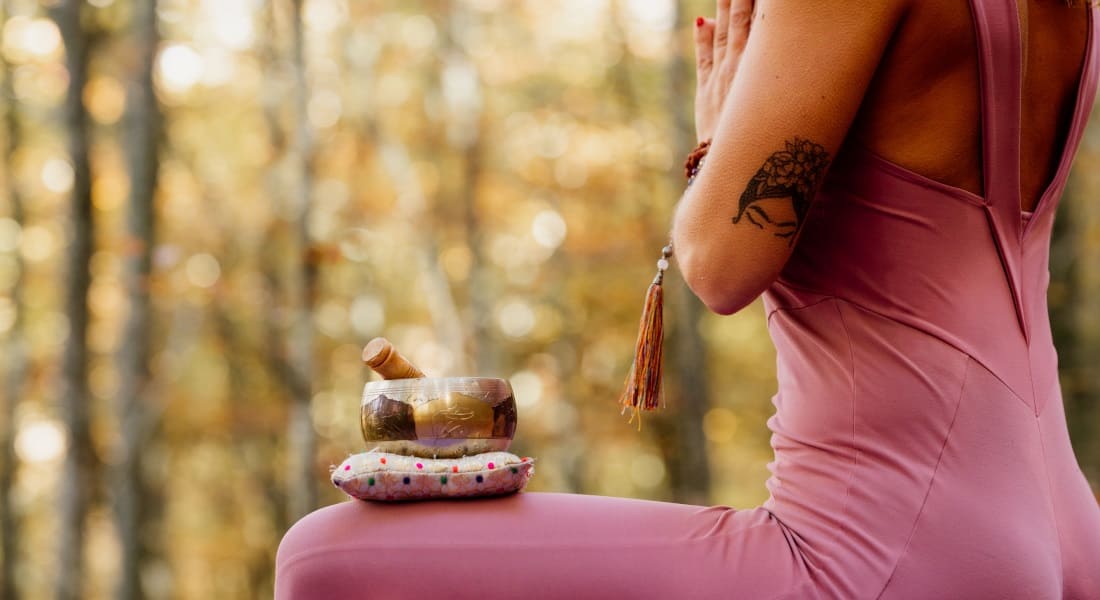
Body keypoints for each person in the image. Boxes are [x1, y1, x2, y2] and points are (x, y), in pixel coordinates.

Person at [275, 0, 1100, 597]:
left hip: (882, 551)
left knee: (324, 558)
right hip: (1064, 529)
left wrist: (721, 132)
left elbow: (719, 262)